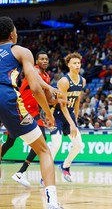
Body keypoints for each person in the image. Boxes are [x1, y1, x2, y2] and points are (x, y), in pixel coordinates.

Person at [0, 16, 61, 208]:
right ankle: (51, 202)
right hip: (6, 97)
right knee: (44, 151)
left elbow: (37, 80)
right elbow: (35, 88)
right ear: (12, 34)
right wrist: (48, 113)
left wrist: (47, 87)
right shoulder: (20, 51)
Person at [1, 51, 67, 188]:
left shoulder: (47, 76)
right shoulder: (34, 70)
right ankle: (20, 173)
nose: (44, 61)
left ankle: (20, 173)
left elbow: (49, 99)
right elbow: (38, 83)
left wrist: (60, 100)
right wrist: (49, 87)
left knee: (10, 142)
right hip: (21, 107)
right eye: (42, 59)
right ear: (36, 61)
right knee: (41, 140)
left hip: (32, 111)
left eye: (46, 59)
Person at [49, 52, 86, 182]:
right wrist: (71, 124)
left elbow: (77, 99)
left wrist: (75, 118)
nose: (77, 65)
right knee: (56, 144)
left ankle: (65, 166)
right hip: (58, 114)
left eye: (78, 63)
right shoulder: (64, 81)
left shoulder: (82, 80)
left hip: (69, 114)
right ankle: (46, 173)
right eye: (74, 63)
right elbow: (63, 106)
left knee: (79, 145)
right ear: (69, 65)